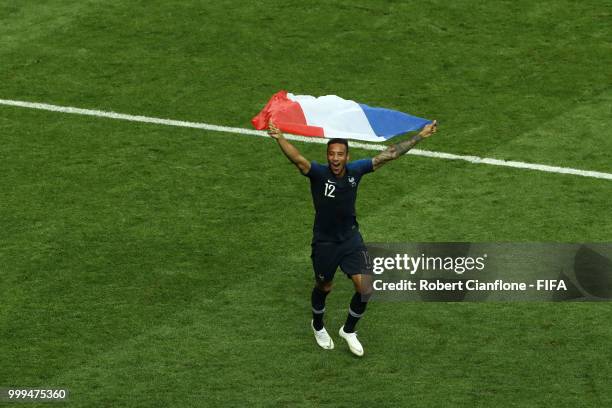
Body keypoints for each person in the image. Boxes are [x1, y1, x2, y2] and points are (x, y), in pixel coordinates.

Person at [267, 120, 438, 356]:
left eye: (340, 155)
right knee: (324, 287)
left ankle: (348, 330)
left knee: (366, 287)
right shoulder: (318, 174)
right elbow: (298, 159)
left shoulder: (356, 171)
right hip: (325, 243)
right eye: (331, 154)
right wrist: (280, 138)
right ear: (327, 156)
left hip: (350, 239)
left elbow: (388, 155)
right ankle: (317, 325)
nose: (335, 159)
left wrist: (420, 135)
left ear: (347, 157)